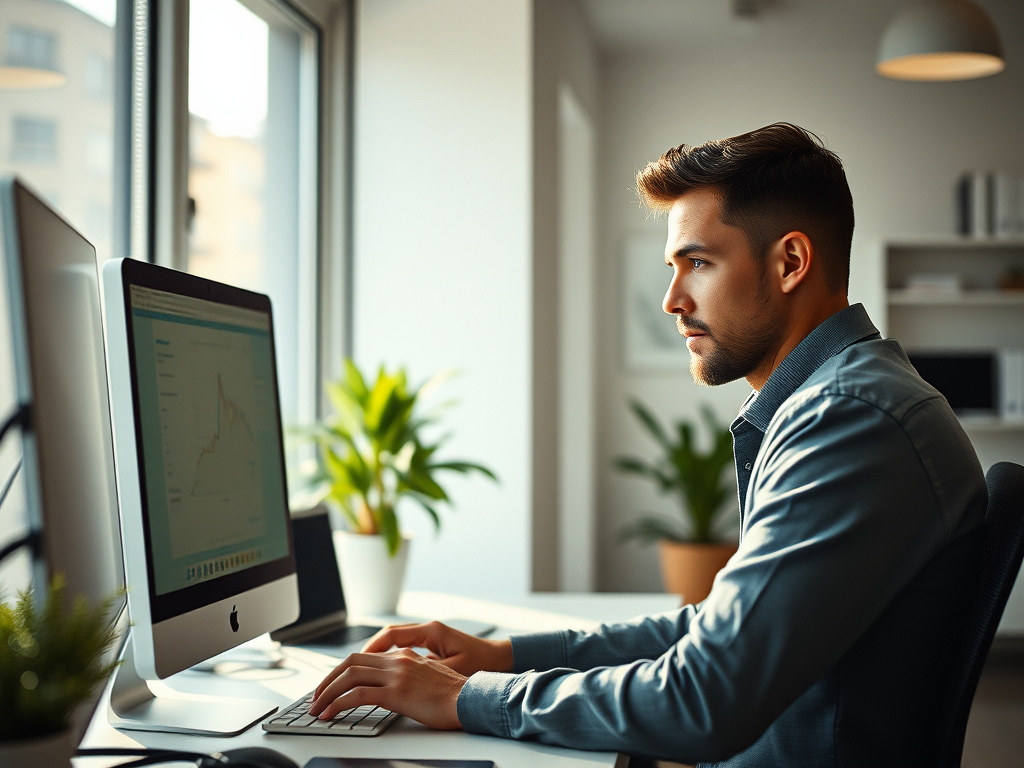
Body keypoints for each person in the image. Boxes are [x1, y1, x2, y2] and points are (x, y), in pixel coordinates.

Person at [308, 123, 987, 767]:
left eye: (698, 262)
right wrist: (502, 656)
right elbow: (714, 633)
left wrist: (463, 697)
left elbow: (706, 693)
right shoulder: (838, 401)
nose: (671, 299)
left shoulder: (849, 419)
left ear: (789, 262)